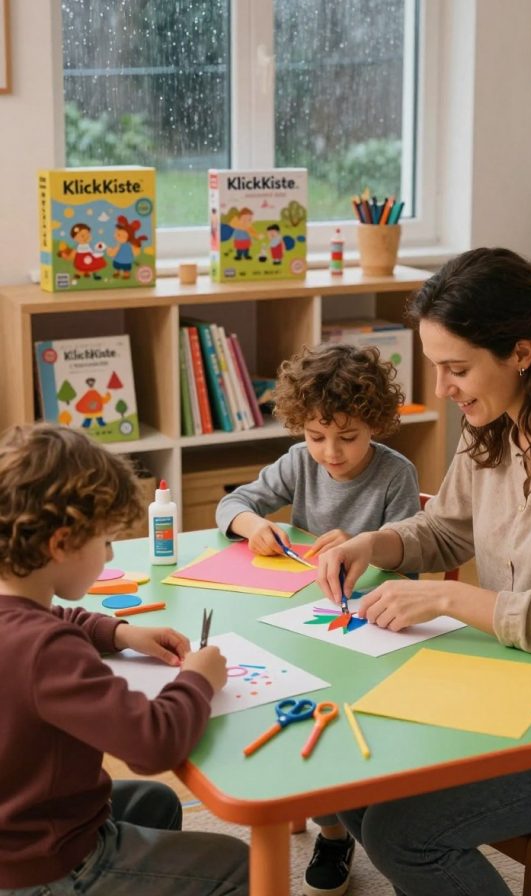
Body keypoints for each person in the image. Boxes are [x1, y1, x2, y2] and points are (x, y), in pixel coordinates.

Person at [317, 247, 531, 896]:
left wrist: (452, 600)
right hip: (515, 686)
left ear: (520, 354)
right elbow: (446, 529)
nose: (441, 389)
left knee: (404, 833)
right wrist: (372, 544)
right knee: (351, 778)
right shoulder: (492, 422)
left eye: (455, 369)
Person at [0, 422, 248, 896]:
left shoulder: (22, 613)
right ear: (61, 544)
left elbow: (59, 617)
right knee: (243, 867)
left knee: (155, 804)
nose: (111, 552)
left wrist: (118, 630)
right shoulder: (47, 650)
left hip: (19, 824)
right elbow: (152, 745)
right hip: (42, 866)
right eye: (106, 540)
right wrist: (197, 680)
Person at [216, 342, 419, 896]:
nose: (331, 452)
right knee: (290, 711)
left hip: (370, 622)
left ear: (375, 424)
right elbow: (233, 504)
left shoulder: (395, 474)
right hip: (302, 616)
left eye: (348, 437)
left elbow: (414, 558)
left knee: (352, 724)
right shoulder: (299, 462)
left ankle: (351, 816)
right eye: (316, 436)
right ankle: (333, 826)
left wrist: (366, 546)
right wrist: (252, 528)